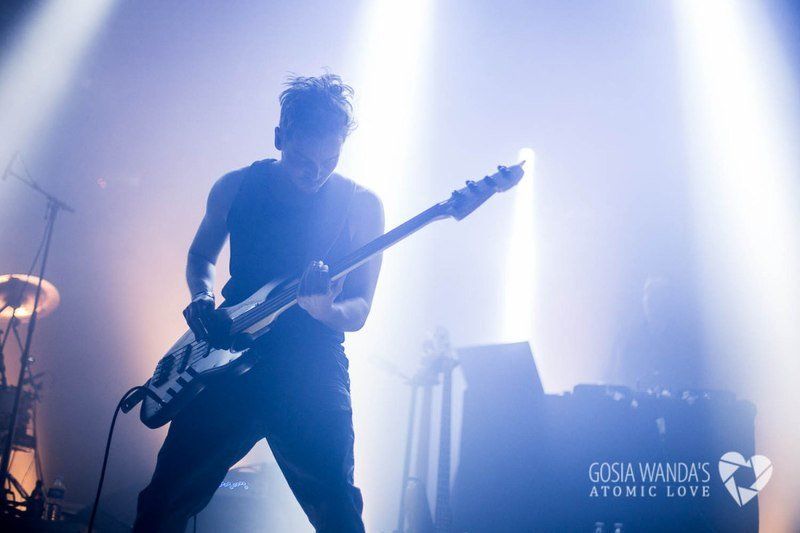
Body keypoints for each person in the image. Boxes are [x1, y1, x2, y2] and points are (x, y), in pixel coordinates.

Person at [134, 73, 384, 533]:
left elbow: (361, 308)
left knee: (337, 508)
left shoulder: (362, 205)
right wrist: (202, 296)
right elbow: (201, 255)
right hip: (227, 351)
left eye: (330, 159)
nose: (317, 172)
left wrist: (324, 310)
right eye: (303, 160)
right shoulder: (235, 186)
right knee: (164, 500)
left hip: (310, 363)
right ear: (279, 137)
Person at [609, 275, 704, 392]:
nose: (650, 299)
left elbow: (691, 379)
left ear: (668, 300)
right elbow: (616, 375)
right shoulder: (627, 337)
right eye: (647, 293)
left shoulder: (685, 342)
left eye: (658, 294)